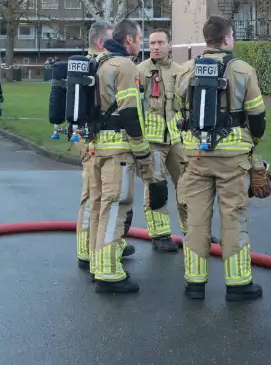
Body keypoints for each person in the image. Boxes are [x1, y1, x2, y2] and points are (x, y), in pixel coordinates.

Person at [175, 15, 267, 301]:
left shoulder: (186, 70)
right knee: (234, 217)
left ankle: (195, 283)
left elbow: (179, 113)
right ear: (227, 38)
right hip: (233, 158)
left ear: (207, 39)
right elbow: (257, 116)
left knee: (197, 221)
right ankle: (238, 284)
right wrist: (252, 143)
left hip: (196, 157)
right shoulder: (242, 70)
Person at [88, 19, 168, 294]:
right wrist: (143, 152)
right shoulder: (125, 66)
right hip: (119, 149)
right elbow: (130, 114)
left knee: (101, 208)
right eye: (140, 38)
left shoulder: (100, 62)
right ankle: (109, 273)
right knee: (116, 208)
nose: (142, 43)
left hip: (99, 146)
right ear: (129, 40)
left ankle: (99, 265)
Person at [74, 21, 135, 274]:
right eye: (110, 39)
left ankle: (92, 251)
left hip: (92, 141)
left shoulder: (90, 66)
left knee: (96, 200)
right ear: (101, 42)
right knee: (99, 200)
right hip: (105, 144)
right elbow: (128, 112)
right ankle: (95, 257)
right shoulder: (109, 65)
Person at [136, 29, 189, 253]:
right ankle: (160, 235)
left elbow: (187, 106)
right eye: (151, 43)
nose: (155, 47)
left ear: (170, 45)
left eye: (160, 42)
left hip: (177, 139)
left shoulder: (181, 71)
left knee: (188, 186)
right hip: (152, 141)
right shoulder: (140, 71)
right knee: (156, 187)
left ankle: (193, 231)